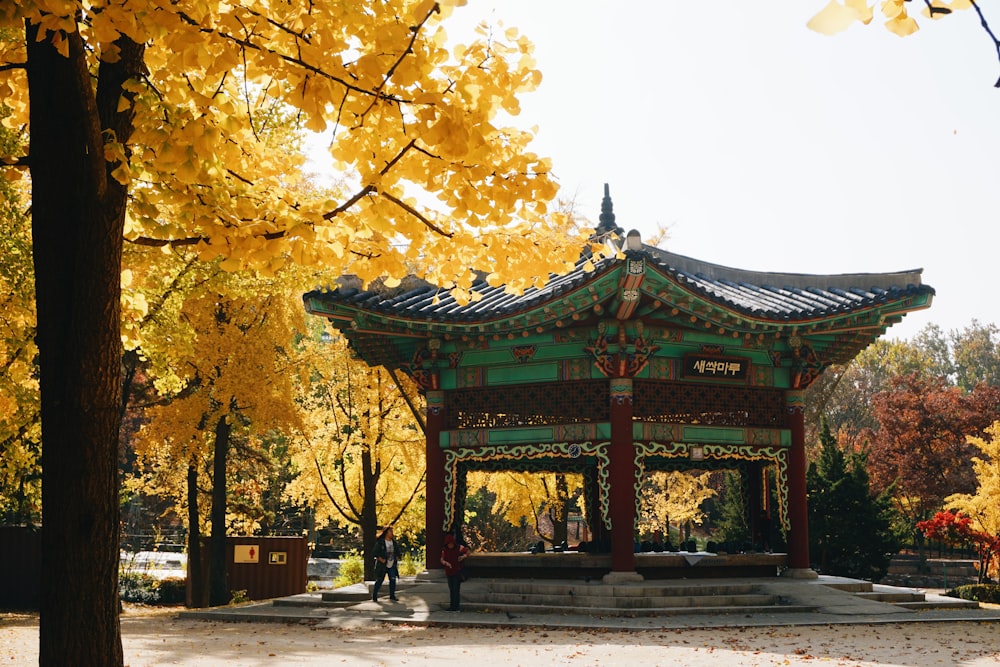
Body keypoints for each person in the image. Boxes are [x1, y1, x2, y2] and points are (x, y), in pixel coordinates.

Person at [439, 531, 470, 611]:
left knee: (456, 589)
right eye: (448, 544)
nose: (450, 545)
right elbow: (442, 559)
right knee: (451, 589)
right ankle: (452, 606)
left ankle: (456, 606)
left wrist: (463, 557)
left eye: (451, 543)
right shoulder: (444, 550)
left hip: (457, 571)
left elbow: (467, 552)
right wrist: (446, 563)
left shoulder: (459, 547)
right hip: (449, 572)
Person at [372, 525, 400, 602]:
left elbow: (397, 552)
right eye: (390, 531)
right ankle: (374, 595)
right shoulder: (380, 542)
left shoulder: (393, 543)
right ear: (386, 533)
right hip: (382, 565)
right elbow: (375, 553)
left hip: (392, 564)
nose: (392, 533)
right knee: (380, 580)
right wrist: (381, 559)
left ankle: (392, 596)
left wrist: (397, 557)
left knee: (393, 579)